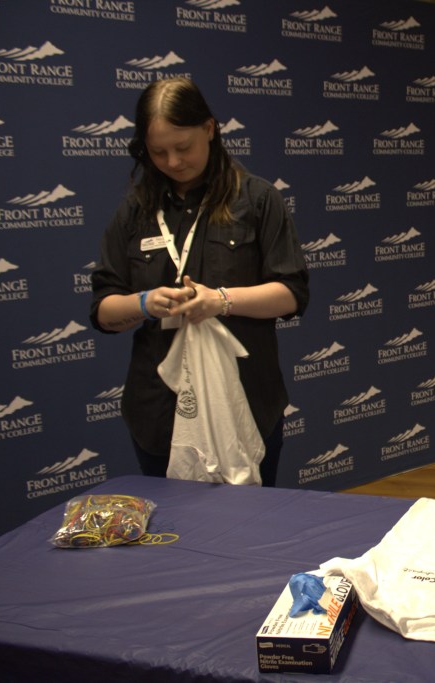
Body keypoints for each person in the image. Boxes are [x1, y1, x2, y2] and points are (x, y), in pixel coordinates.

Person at [90, 77, 309, 486]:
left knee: (253, 522)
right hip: (158, 412)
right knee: (173, 525)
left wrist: (221, 300)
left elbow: (291, 294)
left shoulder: (258, 199)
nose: (173, 162)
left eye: (183, 147)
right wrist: (143, 303)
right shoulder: (135, 211)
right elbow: (103, 311)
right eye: (158, 152)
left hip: (246, 403)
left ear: (209, 129)